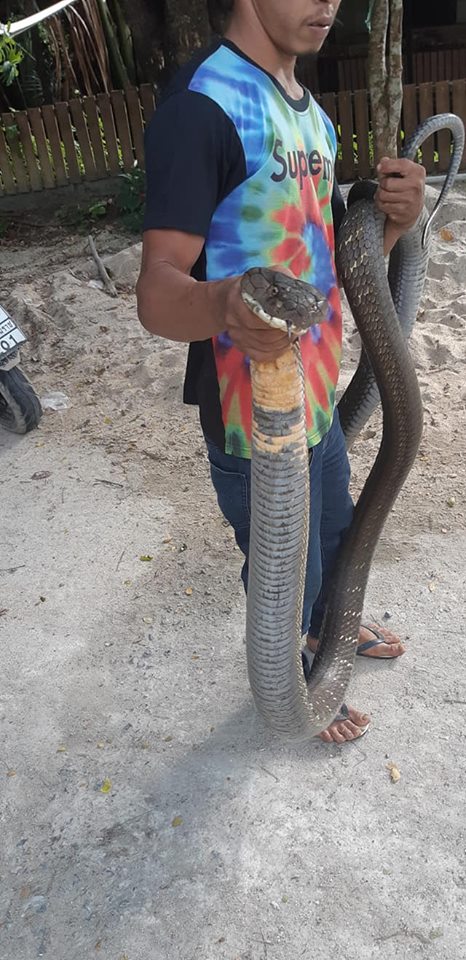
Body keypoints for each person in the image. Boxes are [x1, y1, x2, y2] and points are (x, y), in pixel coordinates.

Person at [137, 0, 426, 743]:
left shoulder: (314, 119)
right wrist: (228, 301)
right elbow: (157, 294)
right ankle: (295, 663)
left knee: (332, 528)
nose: (328, 3)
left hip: (318, 391)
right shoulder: (202, 106)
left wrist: (392, 224)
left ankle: (330, 628)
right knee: (280, 560)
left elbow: (325, 260)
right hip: (251, 415)